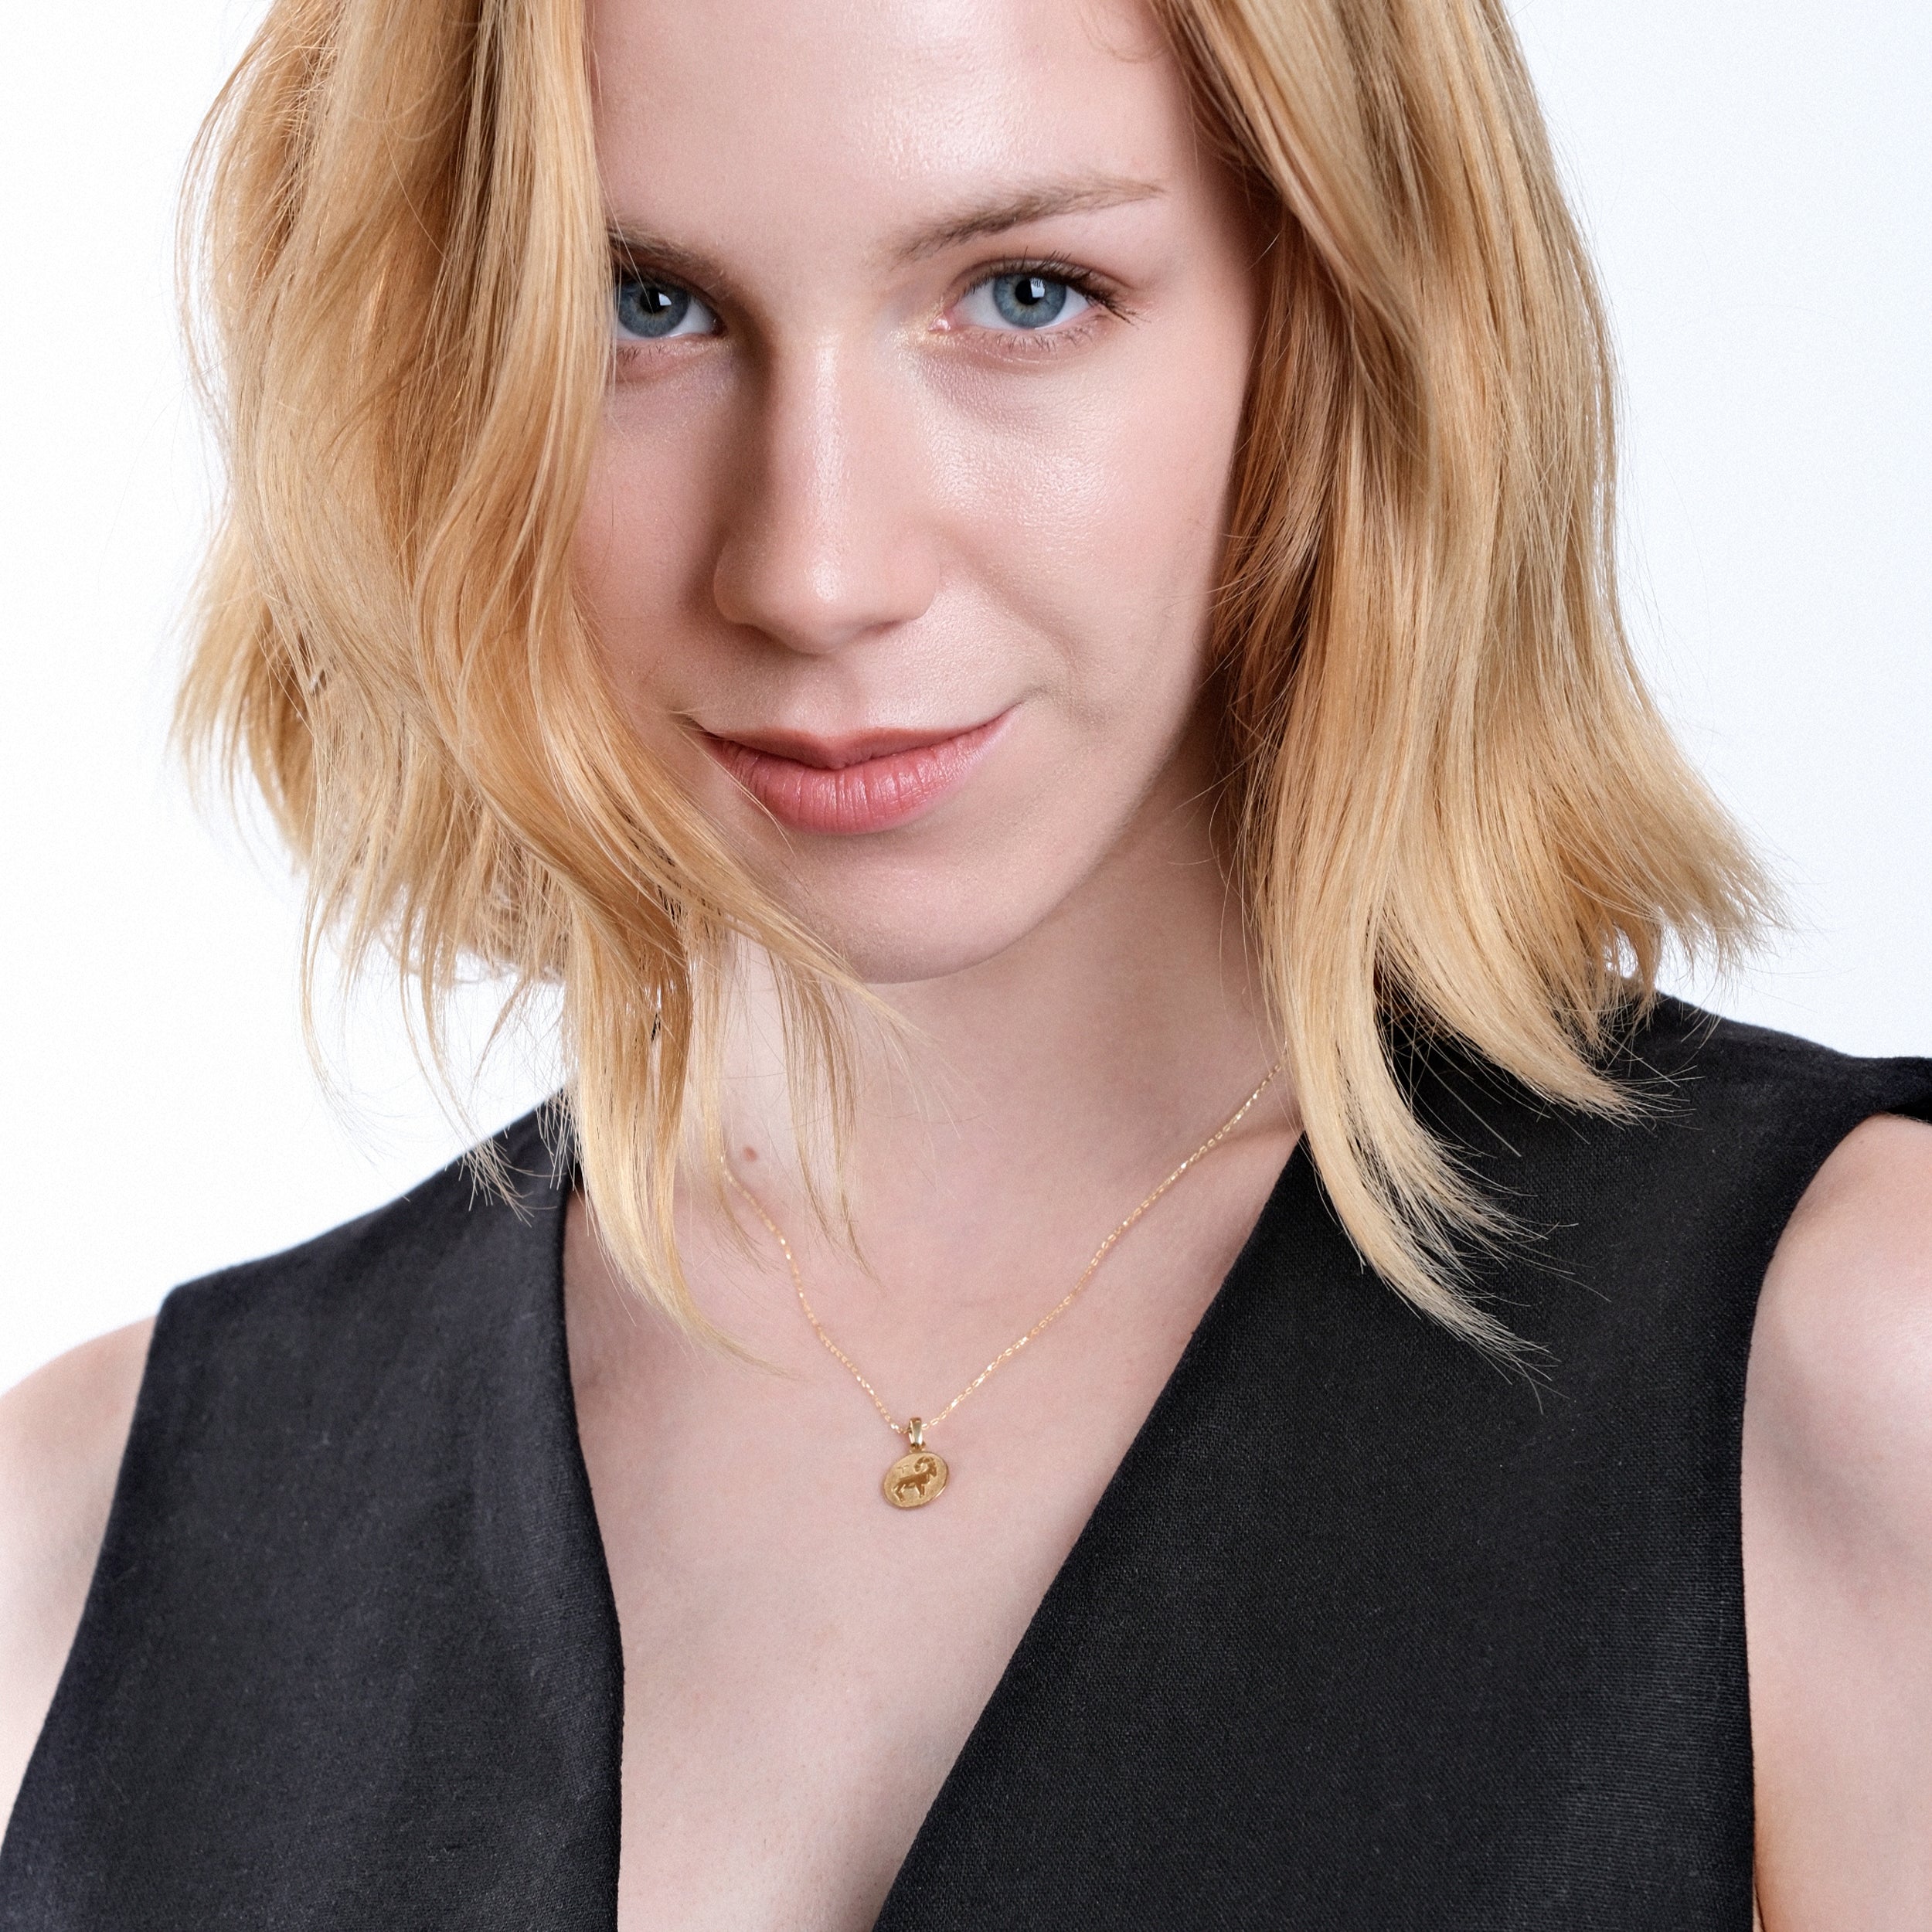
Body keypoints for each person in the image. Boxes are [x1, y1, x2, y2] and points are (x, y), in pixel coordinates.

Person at [0, 0, 1927, 1923]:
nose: (816, 563)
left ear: (1333, 320)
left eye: (1022, 294)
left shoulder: (1847, 1366)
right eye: (635, 303)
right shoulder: (74, 1554)